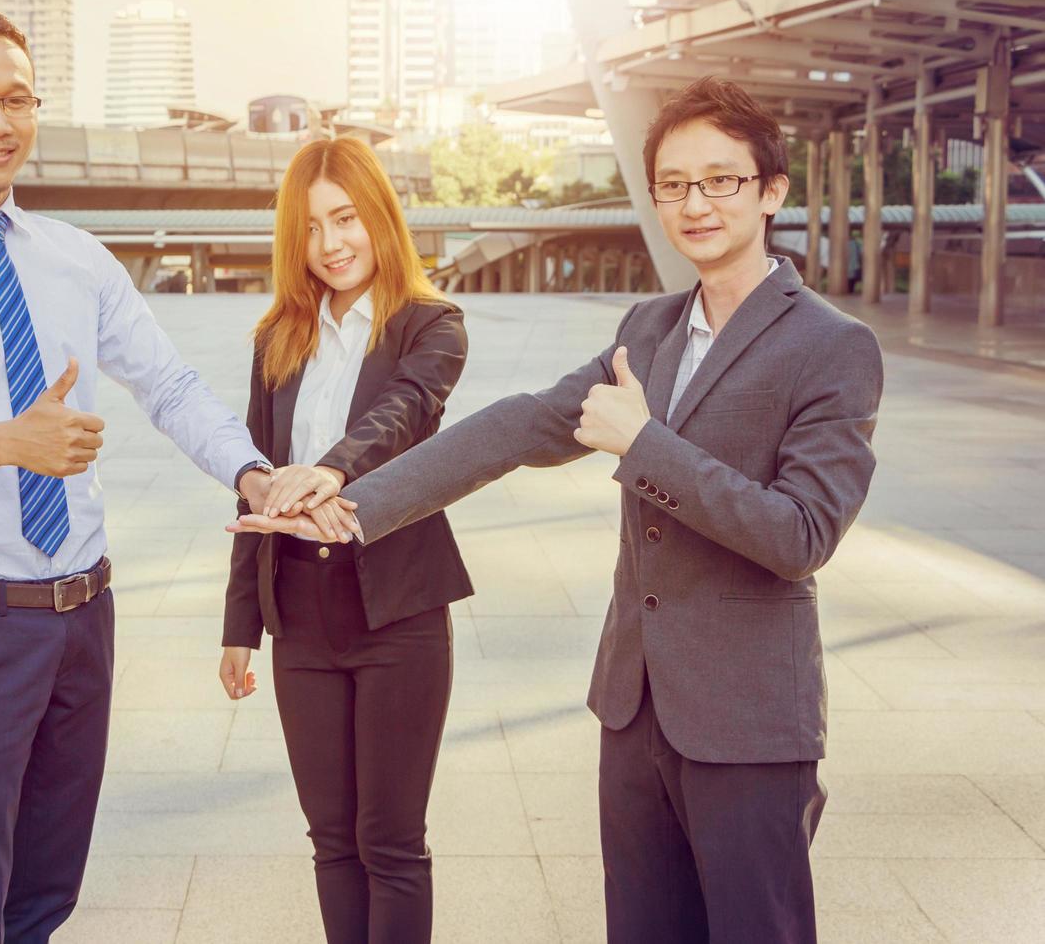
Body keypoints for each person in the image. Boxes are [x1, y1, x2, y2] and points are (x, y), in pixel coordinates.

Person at [234, 77, 885, 944]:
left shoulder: (832, 346)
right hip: (633, 708)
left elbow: (801, 535)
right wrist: (351, 502)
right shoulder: (650, 329)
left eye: (721, 180)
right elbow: (523, 424)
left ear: (772, 190)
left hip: (747, 721)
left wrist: (644, 445)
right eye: (674, 184)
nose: (696, 203)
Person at [0, 6, 278, 943]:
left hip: (83, 620)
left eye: (17, 98)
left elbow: (172, 385)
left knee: (43, 897)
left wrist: (252, 474)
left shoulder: (77, 258)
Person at [218, 137, 473, 944]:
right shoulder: (276, 340)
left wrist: (328, 472)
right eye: (310, 227)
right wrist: (239, 629)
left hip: (398, 611)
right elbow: (254, 481)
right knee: (331, 842)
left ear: (381, 220)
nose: (331, 244)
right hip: (299, 613)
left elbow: (401, 413)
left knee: (390, 842)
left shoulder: (431, 327)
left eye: (347, 218)